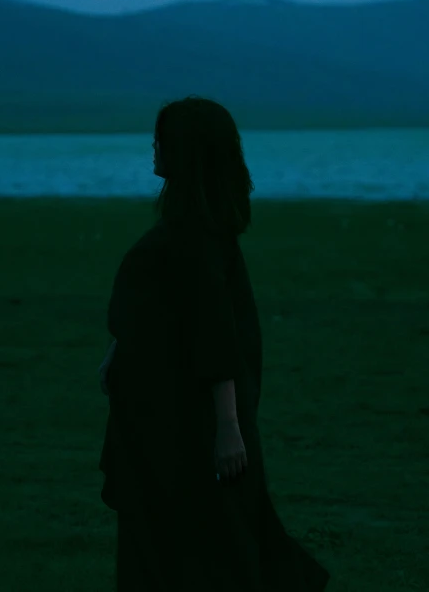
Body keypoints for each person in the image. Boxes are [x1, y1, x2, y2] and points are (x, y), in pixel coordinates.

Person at [98, 95, 330, 591]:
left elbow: (214, 334)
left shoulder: (194, 236)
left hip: (182, 420)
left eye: (163, 140)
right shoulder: (192, 229)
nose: (153, 148)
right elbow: (162, 313)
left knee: (203, 541)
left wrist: (228, 428)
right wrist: (118, 350)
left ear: (185, 150)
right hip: (161, 417)